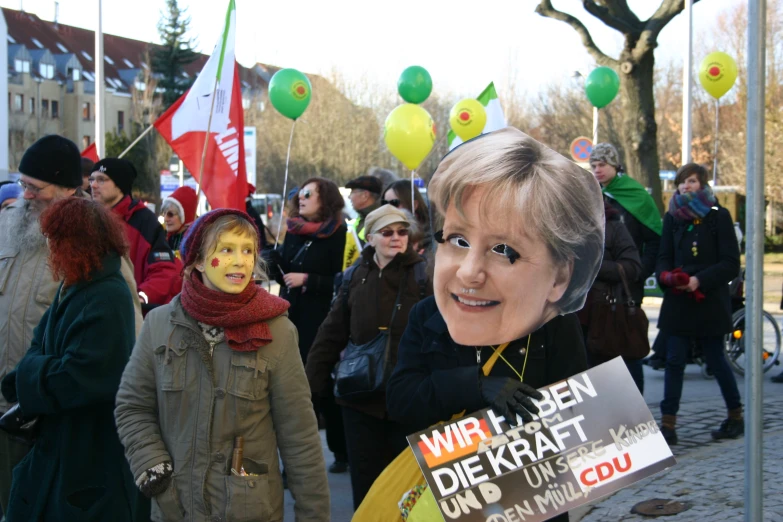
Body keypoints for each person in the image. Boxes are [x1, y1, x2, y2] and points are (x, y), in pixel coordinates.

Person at [384, 128, 604, 522]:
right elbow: (402, 401)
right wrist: (476, 386)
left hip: (531, 502)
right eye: (458, 240)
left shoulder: (556, 328)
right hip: (445, 502)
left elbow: (579, 428)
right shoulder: (427, 317)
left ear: (559, 278)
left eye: (505, 251)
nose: (469, 273)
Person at [115, 209, 329, 521]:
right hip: (176, 507)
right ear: (198, 261)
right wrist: (152, 465)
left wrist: (314, 516)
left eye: (248, 251)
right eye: (226, 250)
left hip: (248, 510)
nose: (241, 261)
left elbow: (300, 437)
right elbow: (132, 406)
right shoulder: (159, 324)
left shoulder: (278, 331)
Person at [0, 135, 143, 515]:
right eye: (22, 183)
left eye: (35, 187)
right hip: (7, 405)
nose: (25, 195)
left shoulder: (92, 247)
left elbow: (124, 342)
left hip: (50, 419)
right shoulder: (6, 226)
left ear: (67, 188)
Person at [306, 205, 432, 509]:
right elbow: (331, 334)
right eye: (387, 232)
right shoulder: (353, 276)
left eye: (402, 232)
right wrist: (308, 387)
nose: (396, 238)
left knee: (410, 491)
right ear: (371, 237)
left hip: (410, 401)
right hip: (360, 401)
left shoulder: (424, 274)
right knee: (367, 487)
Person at [656, 163, 742, 445]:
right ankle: (668, 424)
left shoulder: (719, 216)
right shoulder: (672, 217)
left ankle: (735, 416)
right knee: (674, 360)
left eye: (691, 181)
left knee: (716, 359)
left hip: (708, 300)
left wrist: (699, 280)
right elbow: (663, 257)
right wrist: (667, 277)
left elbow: (730, 263)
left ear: (702, 185)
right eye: (682, 182)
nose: (685, 186)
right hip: (678, 300)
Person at [268, 177, 349, 473]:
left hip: (323, 319)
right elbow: (285, 273)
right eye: (299, 194)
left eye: (307, 194)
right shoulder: (293, 230)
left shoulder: (339, 233)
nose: (300, 199)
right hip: (291, 315)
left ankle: (337, 452)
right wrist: (272, 258)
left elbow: (342, 279)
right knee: (296, 387)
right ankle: (299, 463)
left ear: (324, 199)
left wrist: (310, 281)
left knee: (318, 386)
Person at [590, 143, 661, 392]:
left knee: (626, 345)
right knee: (598, 348)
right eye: (594, 166)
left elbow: (654, 240)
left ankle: (635, 407)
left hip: (627, 286)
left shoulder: (637, 195)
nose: (597, 170)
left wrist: (639, 274)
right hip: (597, 290)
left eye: (602, 165)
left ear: (615, 165)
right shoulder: (592, 194)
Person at [90, 158, 183, 310]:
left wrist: (140, 297)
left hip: (128, 315)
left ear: (120, 185)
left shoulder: (143, 220)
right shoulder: (84, 218)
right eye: (92, 179)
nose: (93, 185)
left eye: (101, 180)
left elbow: (164, 269)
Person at [578, 199, 644, 391]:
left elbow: (633, 267)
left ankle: (632, 417)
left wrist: (592, 265)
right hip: (570, 317)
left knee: (623, 376)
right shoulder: (561, 228)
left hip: (605, 314)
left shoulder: (614, 227)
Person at [382, 179, 431, 254]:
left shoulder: (431, 238)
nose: (388, 208)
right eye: (384, 203)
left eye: (394, 203)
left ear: (414, 205)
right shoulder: (380, 233)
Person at [343, 175, 382, 270]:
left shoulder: (380, 220)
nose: (349, 197)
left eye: (352, 192)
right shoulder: (362, 219)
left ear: (365, 195)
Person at [161, 185, 198, 256]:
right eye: (164, 213)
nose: (165, 219)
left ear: (185, 216)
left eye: (170, 214)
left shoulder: (194, 243)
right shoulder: (163, 236)